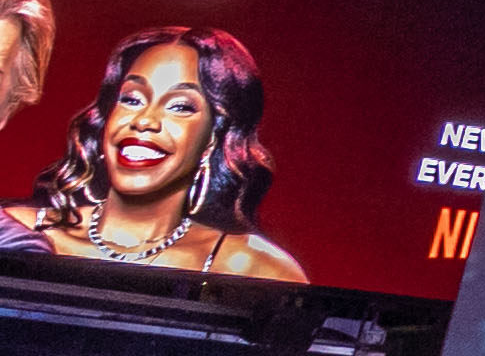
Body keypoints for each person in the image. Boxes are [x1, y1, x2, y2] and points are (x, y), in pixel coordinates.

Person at [32, 25, 297, 277]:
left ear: (213, 137)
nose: (145, 120)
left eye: (180, 106)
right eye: (131, 99)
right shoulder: (15, 231)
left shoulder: (251, 268)